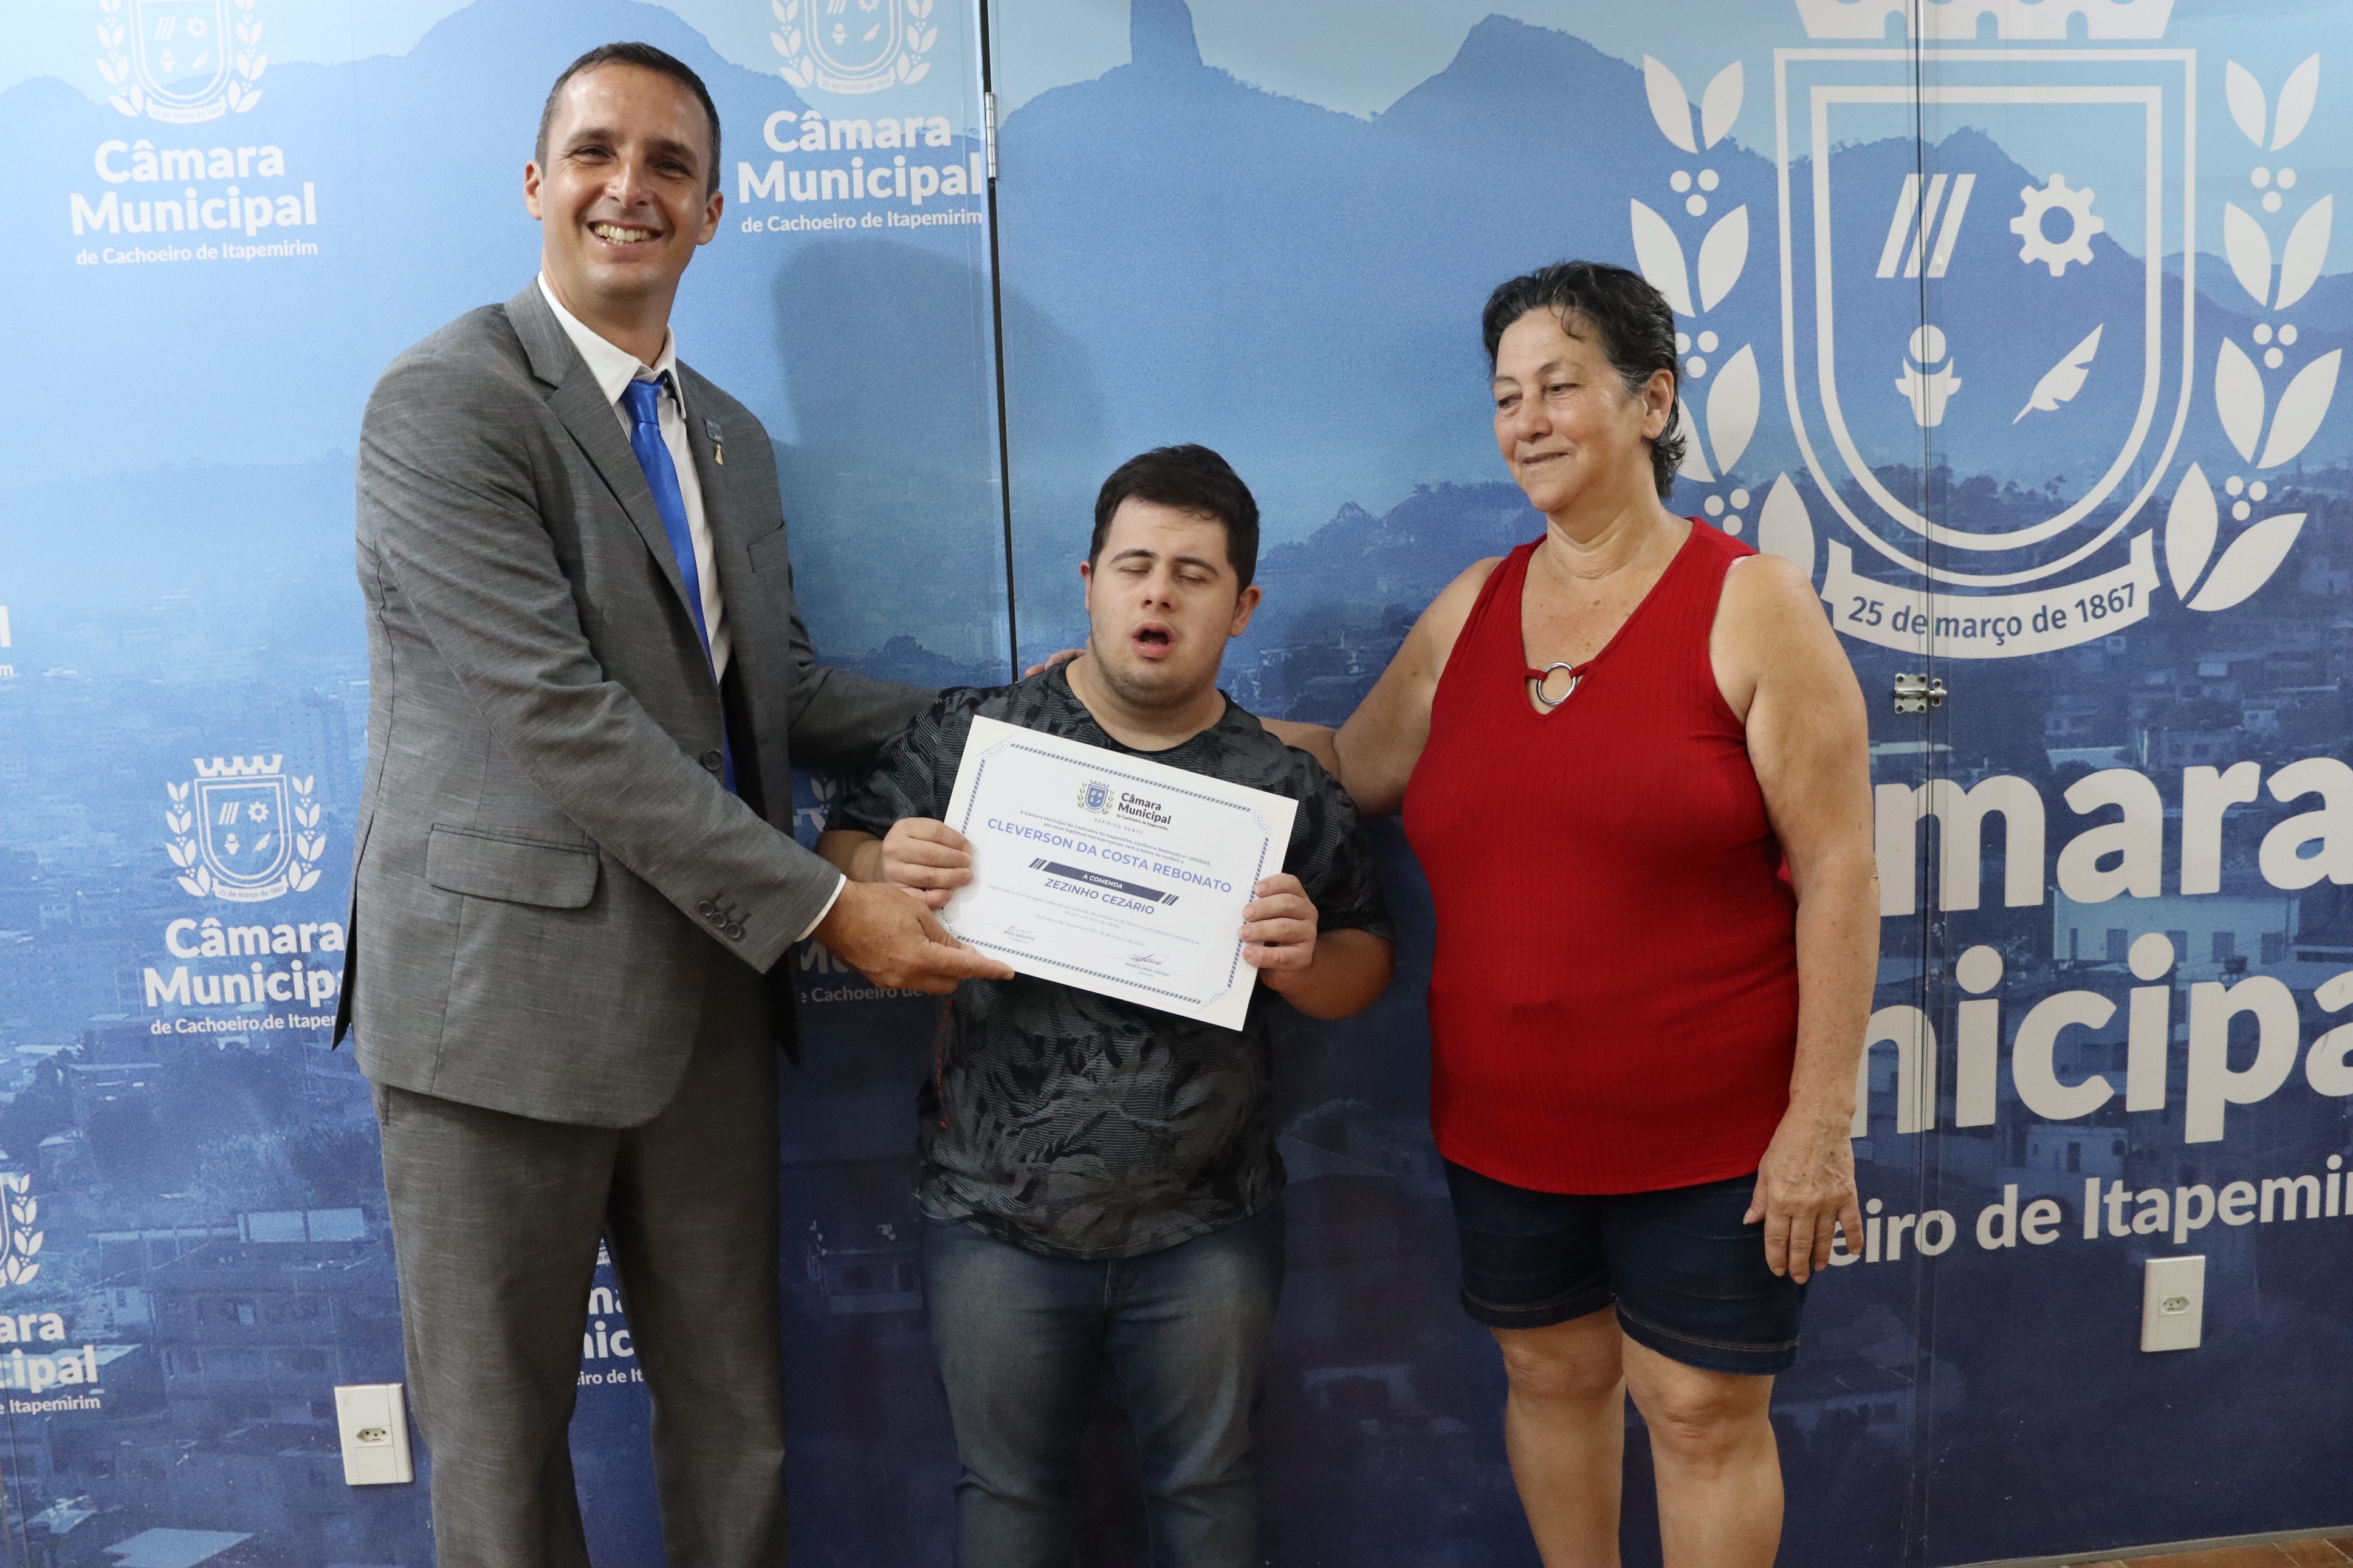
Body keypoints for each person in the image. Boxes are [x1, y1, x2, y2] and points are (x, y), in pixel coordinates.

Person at [338, 41, 1007, 1567]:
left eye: (669, 165)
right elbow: (562, 721)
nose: (627, 188)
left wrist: (1035, 721)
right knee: (502, 1459)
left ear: (712, 211)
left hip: (704, 992)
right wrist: (831, 908)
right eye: (595, 153)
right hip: (496, 1017)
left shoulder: (728, 437)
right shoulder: (443, 403)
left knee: (735, 1426)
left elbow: (775, 690)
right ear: (536, 183)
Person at [1299, 262, 1877, 1567]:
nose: (1527, 421)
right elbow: (1347, 765)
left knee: (1699, 1410)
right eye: (1507, 397)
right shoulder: (1471, 606)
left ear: (1651, 401)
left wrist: (1818, 1123)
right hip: (1504, 1120)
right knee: (1552, 1380)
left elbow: (1841, 868)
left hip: (1716, 1131)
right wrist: (1146, 725)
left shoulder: (1754, 604)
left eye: (1559, 386)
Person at [814, 444, 1395, 1568]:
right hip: (992, 1216)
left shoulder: (1282, 785)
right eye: (1135, 567)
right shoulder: (976, 738)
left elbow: (1365, 957)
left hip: (1210, 1225)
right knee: (1006, 1498)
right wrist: (883, 861)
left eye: (1193, 573)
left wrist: (1304, 960)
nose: (1158, 595)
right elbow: (838, 855)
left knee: (1208, 1491)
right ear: (1089, 582)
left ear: (1244, 606)